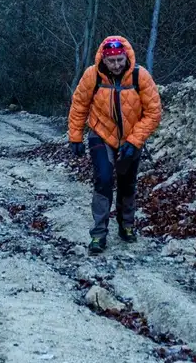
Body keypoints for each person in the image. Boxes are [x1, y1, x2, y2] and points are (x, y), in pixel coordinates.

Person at [67, 35, 162, 254]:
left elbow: (154, 113)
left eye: (120, 60)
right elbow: (79, 105)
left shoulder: (140, 76)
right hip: (100, 135)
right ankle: (99, 234)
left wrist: (135, 140)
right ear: (103, 59)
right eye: (112, 61)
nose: (117, 65)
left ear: (126, 57)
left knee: (127, 182)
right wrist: (75, 137)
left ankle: (126, 225)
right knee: (103, 180)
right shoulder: (92, 75)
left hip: (131, 138)